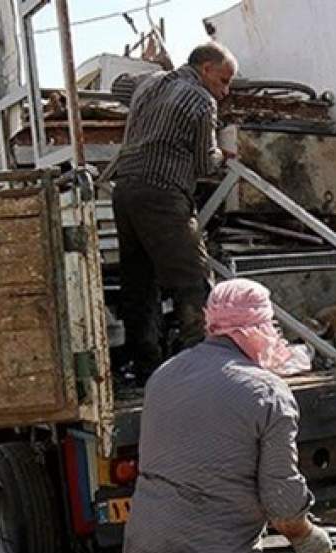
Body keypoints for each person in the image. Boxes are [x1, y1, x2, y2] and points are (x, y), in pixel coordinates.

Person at [123, 279, 332, 553]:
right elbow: (281, 504)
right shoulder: (267, 392)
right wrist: (305, 534)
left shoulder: (165, 374)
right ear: (261, 327)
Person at [110, 41, 238, 383]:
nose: (224, 92)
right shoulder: (200, 100)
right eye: (223, 81)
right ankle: (208, 368)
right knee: (191, 281)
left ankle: (146, 368)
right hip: (163, 192)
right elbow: (202, 163)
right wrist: (222, 156)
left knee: (139, 283)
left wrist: (150, 66)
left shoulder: (152, 83)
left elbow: (117, 85)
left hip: (125, 191)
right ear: (206, 69)